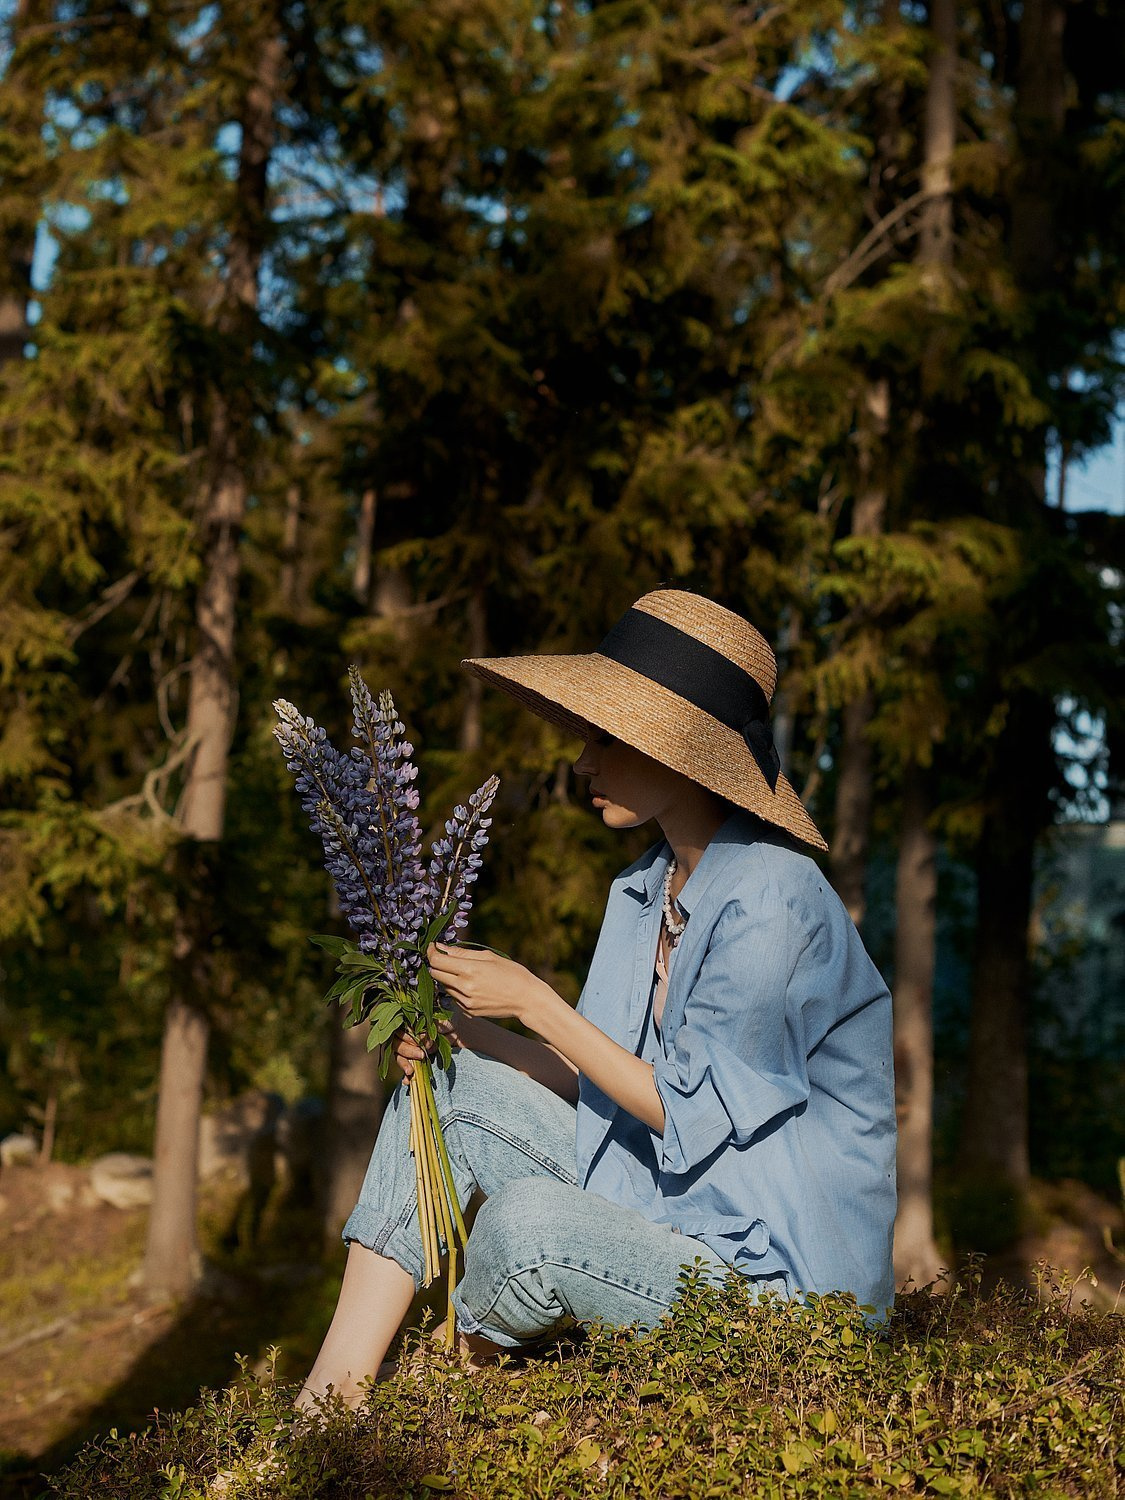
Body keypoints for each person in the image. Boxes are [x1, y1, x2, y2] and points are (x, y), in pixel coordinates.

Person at [297, 588, 896, 1411]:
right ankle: (327, 1406)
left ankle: (449, 1385)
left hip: (779, 1290)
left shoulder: (775, 899)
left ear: (679, 749)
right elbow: (605, 1079)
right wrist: (470, 1033)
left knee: (526, 1222)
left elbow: (681, 1110)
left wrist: (535, 1000)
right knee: (444, 1087)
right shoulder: (641, 891)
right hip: (674, 1210)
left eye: (603, 737)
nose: (581, 762)